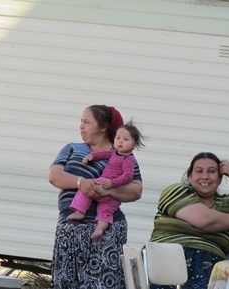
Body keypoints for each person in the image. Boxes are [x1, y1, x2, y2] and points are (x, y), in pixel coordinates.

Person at [149, 152, 229, 289]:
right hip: (164, 260)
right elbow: (205, 220)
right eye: (199, 171)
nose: (205, 176)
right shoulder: (176, 191)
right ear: (190, 176)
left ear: (220, 178)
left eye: (211, 171)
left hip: (209, 266)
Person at [48, 105, 143, 289]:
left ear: (103, 127)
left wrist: (108, 191)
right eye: (81, 122)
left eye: (86, 122)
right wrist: (81, 182)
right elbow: (54, 175)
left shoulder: (122, 154)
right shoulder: (72, 148)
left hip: (104, 232)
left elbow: (136, 190)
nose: (81, 126)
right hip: (69, 230)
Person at [67, 120, 145, 242]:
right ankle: (91, 221)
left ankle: (89, 220)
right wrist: (92, 156)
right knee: (101, 206)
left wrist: (112, 183)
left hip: (108, 186)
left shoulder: (128, 160)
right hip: (106, 188)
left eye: (125, 139)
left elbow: (127, 176)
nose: (120, 141)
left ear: (134, 144)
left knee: (93, 198)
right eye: (118, 138)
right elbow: (103, 154)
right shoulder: (114, 152)